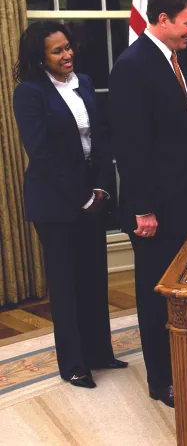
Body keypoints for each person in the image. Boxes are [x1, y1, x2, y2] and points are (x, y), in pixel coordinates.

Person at [108, 0, 187, 408]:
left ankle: (186, 365)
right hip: (157, 210)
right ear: (163, 19)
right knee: (157, 295)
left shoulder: (176, 60)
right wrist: (143, 209)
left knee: (182, 290)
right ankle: (161, 380)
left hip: (186, 202)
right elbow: (131, 145)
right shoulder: (133, 65)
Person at [12, 21, 126, 389]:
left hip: (93, 196)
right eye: (57, 51)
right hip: (56, 204)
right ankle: (74, 364)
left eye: (68, 47)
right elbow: (42, 153)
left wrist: (102, 190)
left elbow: (102, 137)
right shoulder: (28, 93)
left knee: (94, 278)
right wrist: (82, 196)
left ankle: (100, 353)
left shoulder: (86, 83)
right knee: (66, 285)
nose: (68, 54)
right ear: (40, 58)